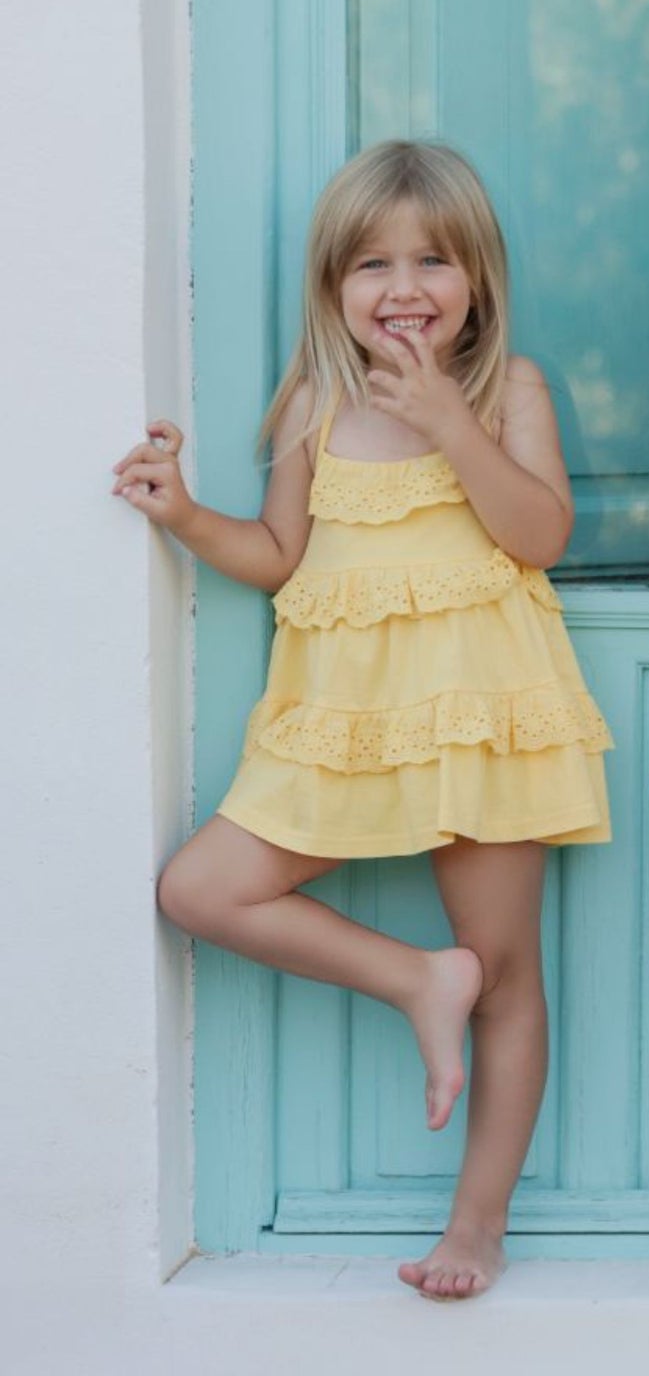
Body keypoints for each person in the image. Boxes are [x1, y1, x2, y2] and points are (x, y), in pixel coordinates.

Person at [113, 141, 610, 1301]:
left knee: (514, 976)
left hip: (485, 715)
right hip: (345, 722)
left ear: (476, 277)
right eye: (373, 263)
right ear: (333, 283)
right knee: (200, 889)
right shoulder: (314, 402)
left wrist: (449, 420)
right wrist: (186, 515)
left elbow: (538, 534)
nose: (404, 287)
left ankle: (476, 1226)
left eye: (434, 260)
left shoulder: (508, 389)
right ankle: (410, 979)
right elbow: (282, 560)